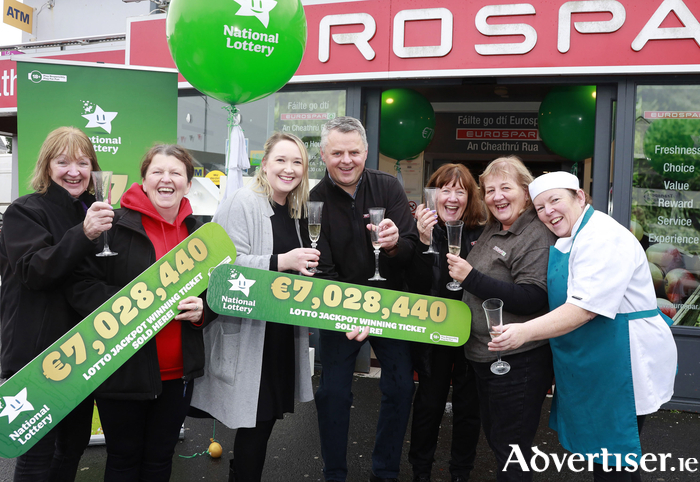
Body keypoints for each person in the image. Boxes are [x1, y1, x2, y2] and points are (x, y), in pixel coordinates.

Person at [490, 171, 677, 481]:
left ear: (579, 197)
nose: (548, 211)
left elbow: (584, 309)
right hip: (597, 360)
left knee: (614, 462)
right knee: (604, 461)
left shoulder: (602, 237)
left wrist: (523, 332)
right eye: (540, 207)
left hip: (623, 361)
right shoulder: (572, 236)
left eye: (555, 200)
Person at [66, 144, 211, 481]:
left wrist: (204, 310)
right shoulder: (112, 224)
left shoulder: (199, 231)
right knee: (123, 460)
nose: (166, 179)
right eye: (157, 172)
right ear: (144, 180)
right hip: (122, 369)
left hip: (177, 372)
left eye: (176, 173)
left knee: (160, 459)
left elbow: (214, 292)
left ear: (189, 184)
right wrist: (130, 304)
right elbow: (80, 284)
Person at [190, 132, 318, 482]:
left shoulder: (294, 210)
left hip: (279, 332)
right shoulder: (242, 202)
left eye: (297, 162)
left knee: (264, 421)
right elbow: (225, 268)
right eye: (281, 160)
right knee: (256, 421)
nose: (289, 169)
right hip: (250, 333)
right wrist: (282, 260)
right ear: (264, 164)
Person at [0, 126, 113, 481]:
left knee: (73, 446)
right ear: (47, 167)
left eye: (82, 162)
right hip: (35, 357)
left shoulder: (91, 212)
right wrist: (85, 234)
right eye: (62, 162)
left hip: (80, 354)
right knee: (36, 456)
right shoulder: (23, 211)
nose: (74, 171)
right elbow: (35, 270)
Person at [311, 116, 419, 482]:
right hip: (339, 307)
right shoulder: (314, 199)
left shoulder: (388, 186)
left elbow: (411, 250)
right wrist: (349, 312)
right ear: (323, 155)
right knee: (333, 393)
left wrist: (393, 247)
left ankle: (385, 471)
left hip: (389, 305)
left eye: (354, 152)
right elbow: (322, 269)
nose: (346, 160)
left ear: (366, 152)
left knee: (402, 386)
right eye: (337, 152)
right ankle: (335, 473)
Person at [445, 156, 556, 482]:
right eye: (490, 190)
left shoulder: (535, 234)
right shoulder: (494, 228)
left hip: (518, 362)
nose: (497, 196)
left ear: (525, 191)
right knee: (498, 440)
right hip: (485, 357)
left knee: (513, 451)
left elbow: (534, 296)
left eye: (505, 188)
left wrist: (470, 278)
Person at [407, 164, 486, 482]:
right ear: (433, 193)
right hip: (433, 332)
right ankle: (420, 470)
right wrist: (424, 244)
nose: (452, 197)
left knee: (470, 406)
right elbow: (413, 285)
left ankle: (460, 472)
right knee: (429, 403)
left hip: (471, 332)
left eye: (460, 190)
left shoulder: (482, 232)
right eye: (445, 189)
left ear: (470, 197)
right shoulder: (418, 230)